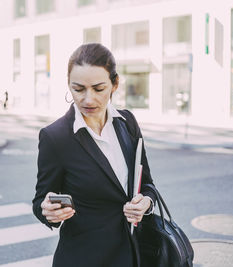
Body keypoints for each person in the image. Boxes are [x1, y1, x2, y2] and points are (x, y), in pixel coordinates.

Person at [32, 43, 157, 267]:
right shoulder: (55, 137)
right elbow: (40, 201)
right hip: (84, 258)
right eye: (78, 89)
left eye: (98, 89)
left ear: (115, 84)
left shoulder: (128, 122)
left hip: (133, 254)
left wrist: (145, 202)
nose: (88, 100)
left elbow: (147, 184)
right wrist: (47, 211)